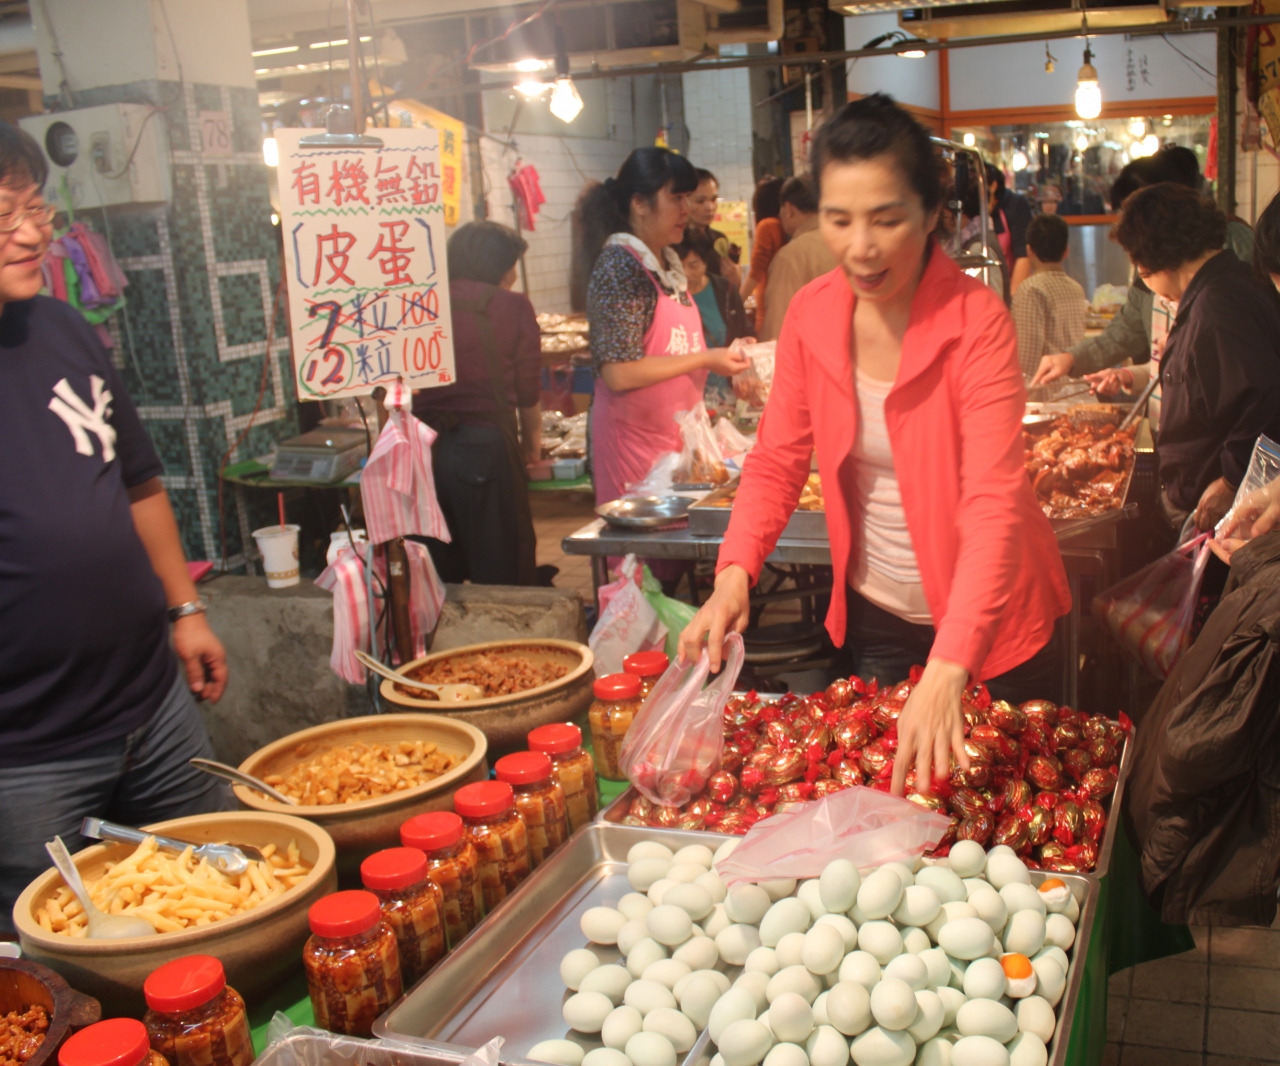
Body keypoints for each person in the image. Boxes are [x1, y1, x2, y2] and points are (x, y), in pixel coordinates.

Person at [679, 94, 1071, 796]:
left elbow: (994, 501)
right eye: (839, 219)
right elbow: (777, 458)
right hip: (880, 614)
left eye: (886, 219)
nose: (861, 246)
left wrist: (952, 660)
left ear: (931, 212)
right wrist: (735, 570)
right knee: (891, 813)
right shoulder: (813, 314)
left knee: (1004, 819)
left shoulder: (977, 323)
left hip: (994, 625)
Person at [0, 123, 233, 933]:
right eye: (3, 216)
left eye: (35, 208)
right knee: (64, 955)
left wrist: (184, 610)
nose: (31, 234)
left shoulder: (62, 329)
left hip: (153, 703)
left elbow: (137, 482)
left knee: (220, 901)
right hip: (27, 756)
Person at [579, 148, 749, 505]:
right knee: (644, 540)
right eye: (676, 198)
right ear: (640, 203)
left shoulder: (665, 265)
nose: (686, 209)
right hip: (633, 448)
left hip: (674, 443)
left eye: (687, 197)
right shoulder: (620, 267)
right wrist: (706, 358)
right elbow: (619, 372)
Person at [1110, 182, 1280, 532]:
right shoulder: (1227, 283)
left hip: (1228, 507)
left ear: (1151, 257)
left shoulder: (1218, 304)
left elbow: (1263, 398)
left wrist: (1231, 480)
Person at [1030, 147, 1256, 394]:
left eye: (1135, 213)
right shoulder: (1153, 269)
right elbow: (1127, 332)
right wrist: (1072, 359)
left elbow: (1241, 369)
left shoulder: (1225, 267)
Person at [413, 221, 540, 585]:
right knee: (503, 572)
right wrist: (531, 448)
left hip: (423, 451)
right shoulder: (513, 306)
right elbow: (527, 392)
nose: (513, 276)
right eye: (511, 266)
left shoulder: (420, 303)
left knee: (435, 575)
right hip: (487, 450)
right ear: (499, 266)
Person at [675, 234, 753, 409]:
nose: (685, 273)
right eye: (678, 266)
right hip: (683, 394)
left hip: (726, 393)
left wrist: (747, 342)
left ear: (705, 263)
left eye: (693, 265)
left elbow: (744, 329)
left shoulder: (725, 290)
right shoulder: (667, 295)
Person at [760, 175, 837, 342]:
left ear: (788, 209)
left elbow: (778, 329)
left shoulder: (791, 256)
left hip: (813, 354)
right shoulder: (845, 242)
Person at [1011, 214, 1086, 381]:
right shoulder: (1076, 288)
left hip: (1045, 390)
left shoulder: (1030, 289)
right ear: (1066, 251)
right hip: (1075, 387)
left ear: (1029, 250)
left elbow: (1027, 358)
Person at [741, 176, 786, 335]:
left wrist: (736, 305)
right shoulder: (786, 226)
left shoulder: (767, 226)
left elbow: (756, 271)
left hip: (768, 304)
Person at [686, 168, 742, 289]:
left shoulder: (719, 239)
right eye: (700, 201)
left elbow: (731, 286)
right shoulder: (675, 241)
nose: (710, 207)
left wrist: (735, 281)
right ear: (683, 201)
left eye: (713, 199)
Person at [986, 163, 1033, 295]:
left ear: (993, 185)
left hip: (1013, 288)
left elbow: (1024, 256)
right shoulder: (970, 208)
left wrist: (1011, 299)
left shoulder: (1015, 204)